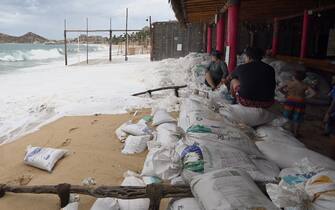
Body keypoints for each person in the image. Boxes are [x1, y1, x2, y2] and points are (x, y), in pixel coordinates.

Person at [279, 71, 316, 137]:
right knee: (297, 118)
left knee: (286, 116)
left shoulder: (289, 83)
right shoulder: (305, 85)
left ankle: (285, 132)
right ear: (304, 78)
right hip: (300, 101)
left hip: (290, 100)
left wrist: (285, 94)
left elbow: (280, 89)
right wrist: (305, 98)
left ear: (294, 77)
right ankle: (296, 133)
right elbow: (313, 93)